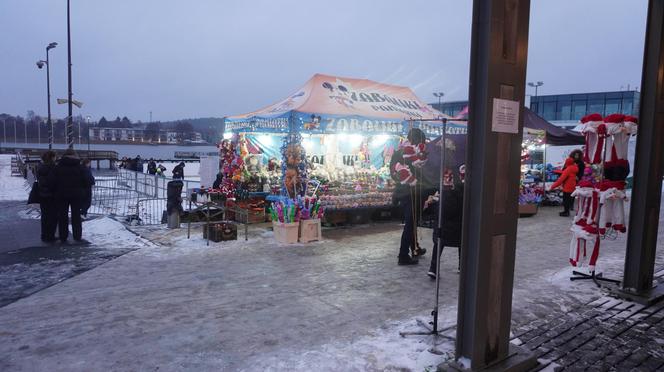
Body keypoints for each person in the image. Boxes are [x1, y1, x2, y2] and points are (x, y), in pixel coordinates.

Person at [390, 128, 428, 265]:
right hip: (412, 193)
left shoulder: (397, 153)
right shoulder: (414, 155)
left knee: (411, 223)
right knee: (410, 223)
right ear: (417, 140)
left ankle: (415, 248)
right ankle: (403, 255)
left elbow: (393, 173)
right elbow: (421, 174)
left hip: (402, 192)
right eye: (421, 141)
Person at [424, 167, 464, 279]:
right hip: (457, 228)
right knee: (460, 243)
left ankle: (433, 268)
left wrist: (430, 203)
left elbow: (429, 212)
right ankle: (462, 266)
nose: (447, 178)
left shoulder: (439, 194)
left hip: (444, 228)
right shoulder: (461, 192)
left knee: (439, 244)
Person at [50, 149, 89, 243]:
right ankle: (77, 236)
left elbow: (53, 181)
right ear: (75, 156)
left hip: (61, 194)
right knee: (76, 216)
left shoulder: (58, 167)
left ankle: (63, 236)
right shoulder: (80, 167)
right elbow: (86, 181)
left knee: (62, 216)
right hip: (76, 194)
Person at [37, 150, 58, 242]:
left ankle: (44, 235)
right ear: (52, 157)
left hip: (42, 194)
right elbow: (53, 182)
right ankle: (51, 236)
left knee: (45, 215)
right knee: (53, 216)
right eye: (55, 157)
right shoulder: (53, 168)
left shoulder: (40, 167)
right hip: (52, 195)